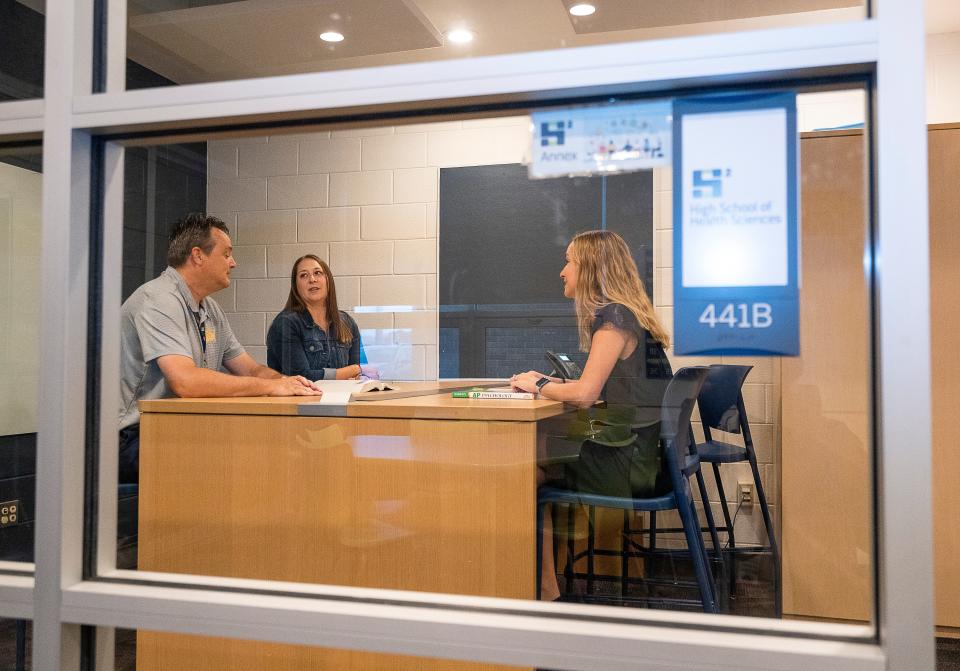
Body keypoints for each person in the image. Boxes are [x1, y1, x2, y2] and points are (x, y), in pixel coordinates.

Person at [510, 229, 673, 600]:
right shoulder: (629, 316)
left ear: (591, 269)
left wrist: (536, 385)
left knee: (523, 472)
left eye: (570, 261)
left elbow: (585, 394)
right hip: (644, 457)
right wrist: (548, 383)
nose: (563, 271)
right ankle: (546, 585)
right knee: (540, 460)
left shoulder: (613, 318)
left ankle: (544, 590)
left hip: (631, 465)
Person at [118, 213, 322, 484]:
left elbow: (249, 368)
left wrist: (286, 381)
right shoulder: (157, 301)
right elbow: (186, 382)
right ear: (198, 256)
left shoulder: (210, 309)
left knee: (278, 448)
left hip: (176, 428)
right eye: (226, 254)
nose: (233, 263)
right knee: (246, 459)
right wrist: (271, 388)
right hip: (131, 437)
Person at [267, 255, 379, 381]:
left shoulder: (347, 322)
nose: (312, 279)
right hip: (300, 400)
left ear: (328, 280)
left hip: (341, 400)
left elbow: (356, 378)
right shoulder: (287, 323)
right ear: (295, 286)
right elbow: (301, 378)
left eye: (318, 273)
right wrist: (355, 370)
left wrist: (356, 372)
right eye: (304, 275)